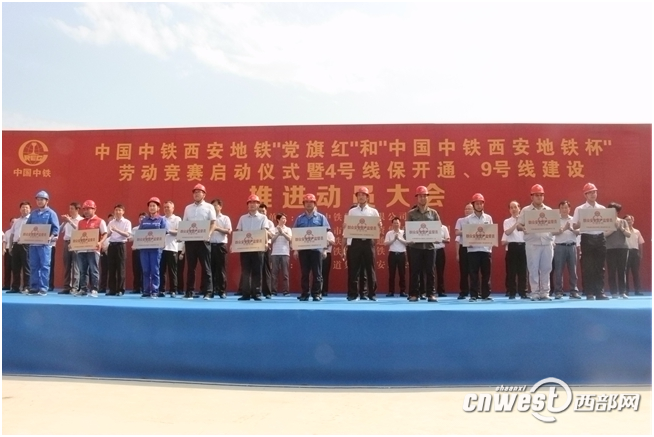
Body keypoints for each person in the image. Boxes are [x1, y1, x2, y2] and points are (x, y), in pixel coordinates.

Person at [572, 183, 610, 300]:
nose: (593, 194)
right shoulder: (580, 209)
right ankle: (589, 292)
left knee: (600, 267)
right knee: (588, 267)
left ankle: (600, 292)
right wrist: (580, 223)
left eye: (594, 192)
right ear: (585, 195)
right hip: (587, 238)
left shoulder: (602, 209)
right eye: (590, 193)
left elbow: (607, 224)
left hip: (600, 238)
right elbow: (574, 226)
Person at [517, 184, 555, 301]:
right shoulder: (526, 210)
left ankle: (545, 292)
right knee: (533, 269)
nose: (539, 197)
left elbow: (554, 226)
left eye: (541, 195)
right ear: (531, 197)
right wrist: (523, 228)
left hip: (547, 243)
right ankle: (534, 292)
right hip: (532, 243)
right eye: (536, 195)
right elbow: (518, 225)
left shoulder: (549, 210)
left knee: (546, 268)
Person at [406, 186, 440, 302]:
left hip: (430, 247)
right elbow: (407, 230)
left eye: (425, 196)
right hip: (415, 247)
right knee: (415, 271)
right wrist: (409, 238)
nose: (423, 198)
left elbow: (438, 228)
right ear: (417, 198)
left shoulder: (433, 213)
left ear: (427, 197)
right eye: (420, 196)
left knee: (430, 271)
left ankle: (431, 294)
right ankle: (414, 294)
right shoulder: (411, 214)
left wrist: (437, 237)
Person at [293, 194, 331, 301]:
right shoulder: (299, 219)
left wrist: (324, 250)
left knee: (317, 273)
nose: (309, 204)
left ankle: (316, 294)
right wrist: (295, 249)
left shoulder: (321, 218)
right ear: (304, 204)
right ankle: (305, 294)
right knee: (305, 273)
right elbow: (295, 235)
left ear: (315, 204)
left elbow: (325, 234)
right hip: (303, 250)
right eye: (306, 202)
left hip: (317, 250)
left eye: (311, 202)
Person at [182, 183, 216, 300]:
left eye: (199, 192)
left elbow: (213, 223)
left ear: (204, 194)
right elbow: (185, 224)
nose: (196, 194)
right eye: (194, 192)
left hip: (203, 241)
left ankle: (208, 292)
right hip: (190, 241)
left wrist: (209, 234)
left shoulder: (209, 207)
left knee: (206, 267)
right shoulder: (188, 208)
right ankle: (189, 292)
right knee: (191, 268)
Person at [346, 187, 381, 301]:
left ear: (367, 197)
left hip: (368, 242)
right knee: (353, 268)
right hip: (355, 241)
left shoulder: (373, 211)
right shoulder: (352, 211)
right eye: (359, 195)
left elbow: (378, 228)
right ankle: (353, 294)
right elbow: (348, 227)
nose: (361, 197)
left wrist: (379, 226)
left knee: (370, 268)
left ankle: (371, 294)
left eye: (363, 195)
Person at [459, 193, 494, 302]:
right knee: (473, 274)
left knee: (486, 274)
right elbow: (465, 233)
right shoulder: (468, 219)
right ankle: (473, 295)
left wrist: (490, 245)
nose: (479, 205)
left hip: (485, 249)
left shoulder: (488, 218)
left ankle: (486, 294)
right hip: (472, 250)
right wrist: (467, 241)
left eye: (480, 203)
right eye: (477, 203)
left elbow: (491, 233)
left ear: (483, 204)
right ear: (473, 205)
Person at [235, 194, 269, 301]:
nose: (252, 205)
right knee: (245, 271)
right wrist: (234, 244)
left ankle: (256, 293)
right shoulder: (242, 218)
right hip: (245, 248)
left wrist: (266, 243)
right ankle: (246, 293)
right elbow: (239, 231)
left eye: (254, 202)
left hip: (258, 248)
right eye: (250, 203)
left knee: (257, 271)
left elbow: (265, 231)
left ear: (258, 205)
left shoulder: (263, 218)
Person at [25, 191, 59, 295]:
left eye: (41, 200)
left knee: (44, 266)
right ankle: (34, 287)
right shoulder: (33, 213)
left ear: (47, 201)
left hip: (45, 245)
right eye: (38, 200)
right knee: (33, 266)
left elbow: (56, 229)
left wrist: (51, 237)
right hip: (33, 245)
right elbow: (27, 227)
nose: (39, 202)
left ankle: (43, 288)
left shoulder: (51, 213)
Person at [74, 200, 108, 297]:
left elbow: (105, 233)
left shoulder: (100, 221)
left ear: (94, 209)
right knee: (82, 270)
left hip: (93, 250)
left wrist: (100, 242)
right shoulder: (80, 222)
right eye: (84, 209)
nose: (86, 211)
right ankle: (83, 289)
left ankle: (94, 289)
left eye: (88, 209)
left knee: (94, 270)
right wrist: (73, 244)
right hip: (81, 250)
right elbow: (77, 235)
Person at [139, 197, 169, 299]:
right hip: (144, 249)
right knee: (146, 270)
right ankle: (146, 291)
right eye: (150, 206)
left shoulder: (161, 219)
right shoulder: (144, 220)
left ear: (158, 208)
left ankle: (155, 291)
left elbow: (164, 232)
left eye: (154, 206)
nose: (152, 208)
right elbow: (140, 233)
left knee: (155, 270)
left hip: (156, 249)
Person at [552, 200, 581, 299]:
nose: (564, 209)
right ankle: (558, 292)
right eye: (562, 208)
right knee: (558, 270)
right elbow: (553, 233)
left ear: (569, 209)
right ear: (559, 209)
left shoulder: (574, 220)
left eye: (566, 207)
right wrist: (564, 229)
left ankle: (574, 291)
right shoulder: (556, 220)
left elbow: (579, 232)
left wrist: (571, 229)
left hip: (572, 246)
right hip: (560, 246)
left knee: (573, 270)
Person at [501, 200, 527, 299]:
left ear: (519, 208)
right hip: (512, 246)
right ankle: (512, 292)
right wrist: (516, 223)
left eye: (515, 207)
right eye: (511, 208)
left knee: (523, 271)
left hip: (523, 246)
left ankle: (523, 292)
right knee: (511, 271)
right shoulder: (507, 221)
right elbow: (507, 232)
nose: (513, 209)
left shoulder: (525, 220)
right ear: (509, 210)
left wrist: (521, 223)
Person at [604, 202, 630, 299]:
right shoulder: (605, 221)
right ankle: (613, 292)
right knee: (611, 271)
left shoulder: (623, 221)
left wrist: (622, 229)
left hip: (623, 248)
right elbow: (603, 235)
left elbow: (628, 234)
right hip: (610, 249)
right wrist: (612, 229)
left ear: (617, 212)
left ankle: (622, 292)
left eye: (614, 210)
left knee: (622, 270)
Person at [105, 204, 132, 296]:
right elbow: (107, 234)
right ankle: (112, 289)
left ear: (123, 212)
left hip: (121, 245)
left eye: (119, 210)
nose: (117, 212)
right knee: (111, 268)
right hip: (111, 245)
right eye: (116, 210)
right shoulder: (111, 222)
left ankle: (120, 289)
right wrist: (106, 236)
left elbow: (127, 234)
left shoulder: (127, 222)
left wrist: (117, 230)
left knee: (121, 268)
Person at [209, 199, 232, 299]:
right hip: (210, 246)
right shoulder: (208, 219)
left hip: (221, 246)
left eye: (215, 205)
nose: (213, 207)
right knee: (210, 269)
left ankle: (222, 291)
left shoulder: (225, 218)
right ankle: (210, 291)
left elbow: (229, 231)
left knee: (221, 269)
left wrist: (216, 228)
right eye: (212, 206)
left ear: (220, 207)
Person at [7, 202, 31, 293]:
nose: (24, 209)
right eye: (23, 207)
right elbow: (12, 234)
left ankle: (27, 286)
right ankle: (15, 287)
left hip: (26, 245)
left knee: (27, 266)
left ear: (30, 209)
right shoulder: (16, 221)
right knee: (15, 267)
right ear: (20, 209)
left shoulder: (31, 220)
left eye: (26, 207)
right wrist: (10, 247)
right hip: (16, 245)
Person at [59, 203, 82, 294]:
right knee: (67, 265)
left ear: (77, 209)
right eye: (69, 208)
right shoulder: (67, 220)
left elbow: (79, 230)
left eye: (72, 208)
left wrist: (69, 221)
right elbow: (59, 230)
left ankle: (75, 287)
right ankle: (66, 286)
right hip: (66, 242)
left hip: (76, 242)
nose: (70, 210)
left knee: (76, 266)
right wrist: (65, 222)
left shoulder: (81, 220)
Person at [159, 201, 181, 298]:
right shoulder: (160, 219)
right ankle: (161, 290)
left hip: (172, 248)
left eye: (168, 207)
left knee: (172, 271)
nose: (166, 209)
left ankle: (173, 290)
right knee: (161, 271)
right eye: (165, 207)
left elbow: (180, 231)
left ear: (173, 208)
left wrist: (168, 231)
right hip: (161, 248)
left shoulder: (177, 219)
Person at [454, 203, 474, 300]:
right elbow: (457, 232)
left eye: (469, 209)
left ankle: (475, 292)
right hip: (464, 247)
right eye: (466, 209)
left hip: (474, 247)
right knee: (464, 271)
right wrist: (468, 230)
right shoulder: (460, 220)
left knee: (474, 271)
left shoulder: (476, 220)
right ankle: (463, 292)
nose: (467, 210)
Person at [384, 216, 407, 297]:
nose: (396, 224)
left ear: (400, 224)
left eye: (397, 223)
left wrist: (399, 239)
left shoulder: (404, 233)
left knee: (402, 274)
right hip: (392, 254)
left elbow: (407, 243)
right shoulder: (389, 233)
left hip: (402, 254)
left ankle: (402, 291)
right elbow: (385, 243)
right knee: (392, 274)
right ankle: (391, 291)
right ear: (392, 224)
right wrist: (394, 239)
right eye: (394, 223)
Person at [270, 212, 292, 297]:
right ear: (278, 220)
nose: (284, 220)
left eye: (285, 218)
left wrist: (283, 233)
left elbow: (290, 239)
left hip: (285, 253)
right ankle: (273, 291)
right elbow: (271, 241)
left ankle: (286, 291)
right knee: (274, 273)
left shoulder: (288, 229)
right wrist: (278, 233)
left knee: (285, 274)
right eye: (283, 218)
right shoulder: (273, 229)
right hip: (275, 253)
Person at [624, 215, 645, 295]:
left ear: (633, 221)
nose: (628, 221)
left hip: (635, 253)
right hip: (625, 252)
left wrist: (640, 254)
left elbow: (640, 243)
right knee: (625, 272)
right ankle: (626, 290)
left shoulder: (637, 231)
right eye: (627, 220)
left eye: (630, 220)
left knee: (636, 272)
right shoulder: (622, 231)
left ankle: (638, 290)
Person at [258, 203, 275, 297]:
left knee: (266, 269)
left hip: (265, 247)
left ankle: (267, 292)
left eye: (263, 211)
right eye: (260, 211)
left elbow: (272, 235)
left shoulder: (270, 223)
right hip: (255, 247)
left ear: (266, 212)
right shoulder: (254, 221)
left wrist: (264, 230)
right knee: (255, 270)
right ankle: (255, 291)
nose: (261, 213)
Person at [129, 213, 146, 294]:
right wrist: (138, 236)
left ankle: (144, 288)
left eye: (143, 218)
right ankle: (136, 288)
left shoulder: (148, 229)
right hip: (136, 250)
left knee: (144, 270)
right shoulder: (135, 229)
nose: (141, 219)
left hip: (144, 251)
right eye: (140, 218)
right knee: (136, 270)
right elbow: (130, 239)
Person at [434, 223, 451, 297]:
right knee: (429, 271)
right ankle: (429, 291)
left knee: (440, 271)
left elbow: (448, 240)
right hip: (430, 250)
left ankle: (441, 291)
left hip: (440, 250)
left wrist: (440, 240)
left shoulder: (444, 228)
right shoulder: (429, 227)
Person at [99, 213, 113, 293]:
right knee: (104, 271)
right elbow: (102, 239)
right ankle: (102, 287)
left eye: (112, 219)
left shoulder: (116, 229)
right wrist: (102, 248)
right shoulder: (105, 229)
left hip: (112, 251)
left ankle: (112, 288)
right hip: (104, 251)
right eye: (110, 219)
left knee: (112, 271)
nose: (111, 220)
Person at [322, 228, 336, 297]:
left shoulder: (329, 233)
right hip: (317, 254)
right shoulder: (316, 232)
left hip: (327, 254)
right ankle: (316, 290)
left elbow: (333, 243)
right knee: (317, 273)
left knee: (325, 273)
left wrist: (326, 240)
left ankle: (324, 290)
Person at [3, 218, 15, 290]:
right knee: (7, 268)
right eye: (12, 222)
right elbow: (4, 241)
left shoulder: (18, 231)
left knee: (16, 269)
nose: (13, 223)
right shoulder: (7, 232)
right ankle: (6, 285)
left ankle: (15, 286)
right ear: (10, 223)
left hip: (16, 251)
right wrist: (3, 249)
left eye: (15, 222)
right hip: (8, 250)